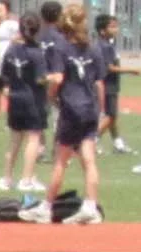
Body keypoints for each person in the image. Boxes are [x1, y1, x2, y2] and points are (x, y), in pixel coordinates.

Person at [24, 1, 104, 219]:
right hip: (90, 108)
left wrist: (48, 91)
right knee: (89, 159)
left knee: (60, 160)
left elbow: (58, 78)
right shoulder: (93, 48)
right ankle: (90, 205)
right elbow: (99, 83)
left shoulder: (62, 47)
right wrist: (101, 110)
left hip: (70, 108)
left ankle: (46, 207)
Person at [0, 11, 51, 191]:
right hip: (32, 100)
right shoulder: (37, 52)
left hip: (15, 98)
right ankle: (26, 179)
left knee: (14, 140)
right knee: (33, 138)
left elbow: (4, 75)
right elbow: (40, 79)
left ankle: (6, 178)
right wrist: (52, 78)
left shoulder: (11, 50)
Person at [96, 13, 127, 155]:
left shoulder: (107, 44)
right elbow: (110, 68)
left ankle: (118, 144)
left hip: (110, 84)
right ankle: (92, 139)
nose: (116, 29)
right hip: (109, 85)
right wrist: (132, 70)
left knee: (112, 116)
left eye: (116, 26)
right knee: (111, 115)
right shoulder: (105, 46)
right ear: (102, 31)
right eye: (112, 27)